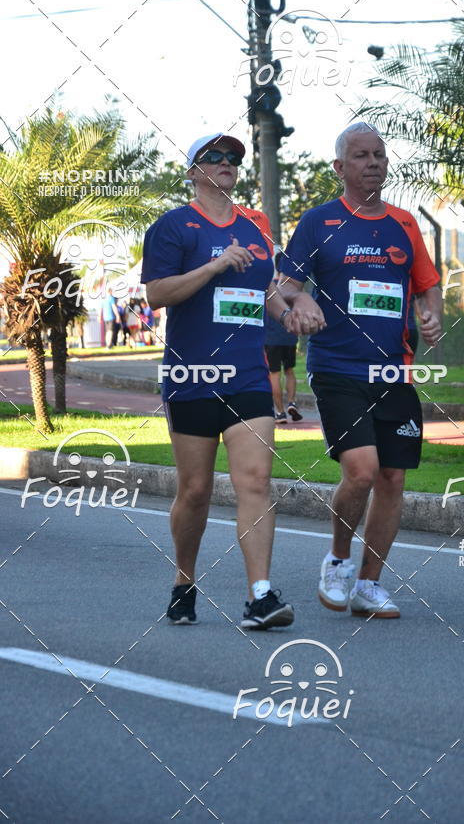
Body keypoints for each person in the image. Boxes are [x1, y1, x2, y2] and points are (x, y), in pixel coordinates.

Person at [142, 132, 316, 630]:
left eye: (233, 157)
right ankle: (183, 581)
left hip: (247, 377)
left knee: (256, 482)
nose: (226, 163)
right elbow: (157, 293)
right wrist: (215, 264)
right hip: (191, 376)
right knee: (194, 490)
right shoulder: (174, 227)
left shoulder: (256, 232)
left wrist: (289, 315)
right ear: (193, 170)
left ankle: (260, 596)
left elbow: (264, 291)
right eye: (213, 157)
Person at [279, 122, 442, 619]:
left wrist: (431, 312)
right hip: (336, 366)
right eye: (361, 155)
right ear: (340, 167)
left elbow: (426, 284)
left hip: (394, 371)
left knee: (392, 476)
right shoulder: (319, 222)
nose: (373, 162)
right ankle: (337, 560)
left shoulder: (405, 224)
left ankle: (370, 585)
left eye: (379, 155)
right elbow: (281, 285)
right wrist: (299, 297)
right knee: (363, 470)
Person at [265, 252, 303, 424]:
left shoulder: (268, 286)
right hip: (289, 336)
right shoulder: (292, 289)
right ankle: (292, 402)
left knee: (274, 374)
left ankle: (279, 413)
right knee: (289, 371)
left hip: (271, 338)